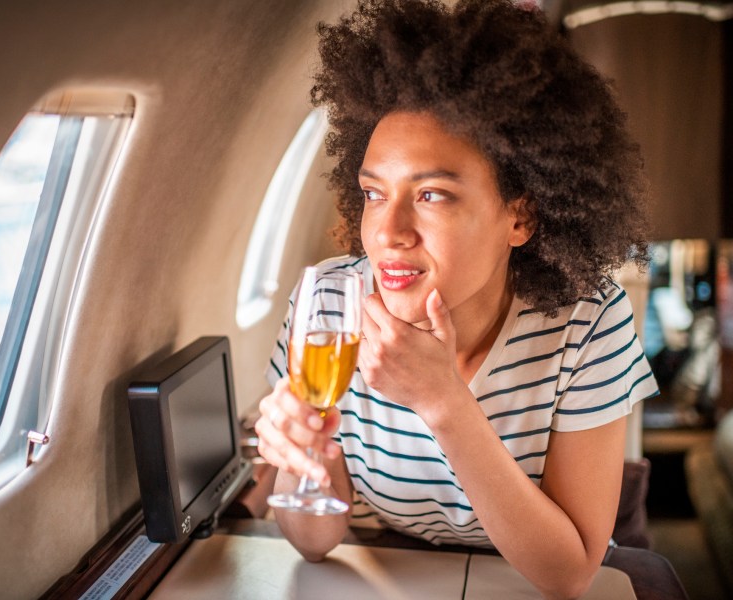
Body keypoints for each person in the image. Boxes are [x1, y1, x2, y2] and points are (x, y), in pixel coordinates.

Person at [254, 1, 659, 598]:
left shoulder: (589, 320)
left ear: (520, 216)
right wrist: (299, 457)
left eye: (433, 195)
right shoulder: (331, 304)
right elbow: (314, 540)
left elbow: (570, 573)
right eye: (373, 193)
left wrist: (444, 402)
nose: (387, 232)